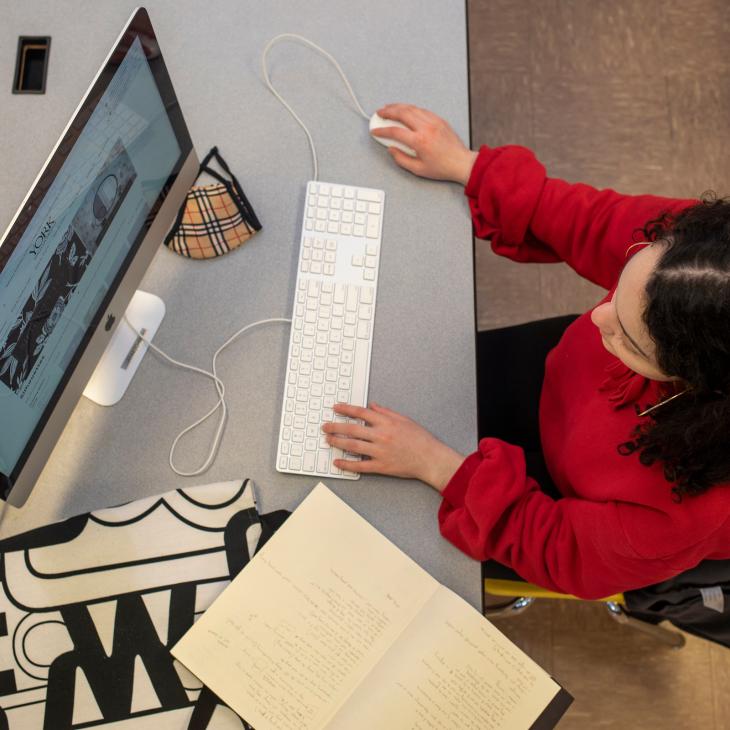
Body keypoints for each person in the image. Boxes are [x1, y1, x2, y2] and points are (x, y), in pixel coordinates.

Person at [321, 103, 730, 600]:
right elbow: (596, 221)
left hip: (562, 499)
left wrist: (434, 465)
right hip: (561, 381)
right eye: (621, 287)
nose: (596, 316)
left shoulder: (693, 507)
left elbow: (562, 550)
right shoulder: (705, 262)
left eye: (629, 335)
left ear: (693, 381)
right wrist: (469, 167)